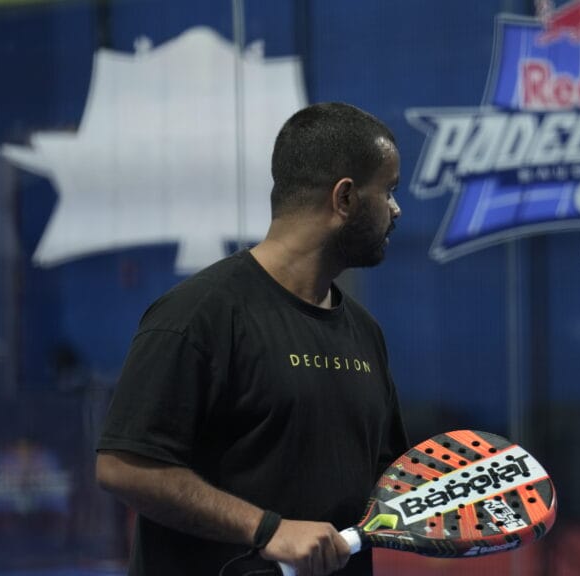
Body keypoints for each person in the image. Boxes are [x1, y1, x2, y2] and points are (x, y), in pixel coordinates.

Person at [95, 102, 409, 576]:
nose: (395, 209)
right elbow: (123, 466)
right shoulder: (198, 314)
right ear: (344, 199)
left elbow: (384, 485)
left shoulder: (365, 332)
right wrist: (268, 530)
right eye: (387, 191)